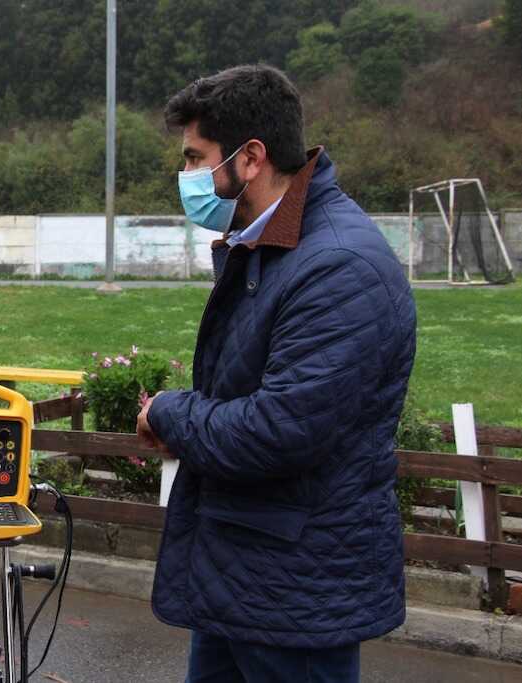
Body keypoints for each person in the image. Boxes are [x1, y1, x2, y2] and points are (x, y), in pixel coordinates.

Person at [136, 65, 416, 682]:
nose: (186, 177)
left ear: (251, 157)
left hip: (296, 589)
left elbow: (280, 428)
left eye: (194, 158)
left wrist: (171, 414)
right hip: (244, 571)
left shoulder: (338, 266)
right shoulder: (270, 247)